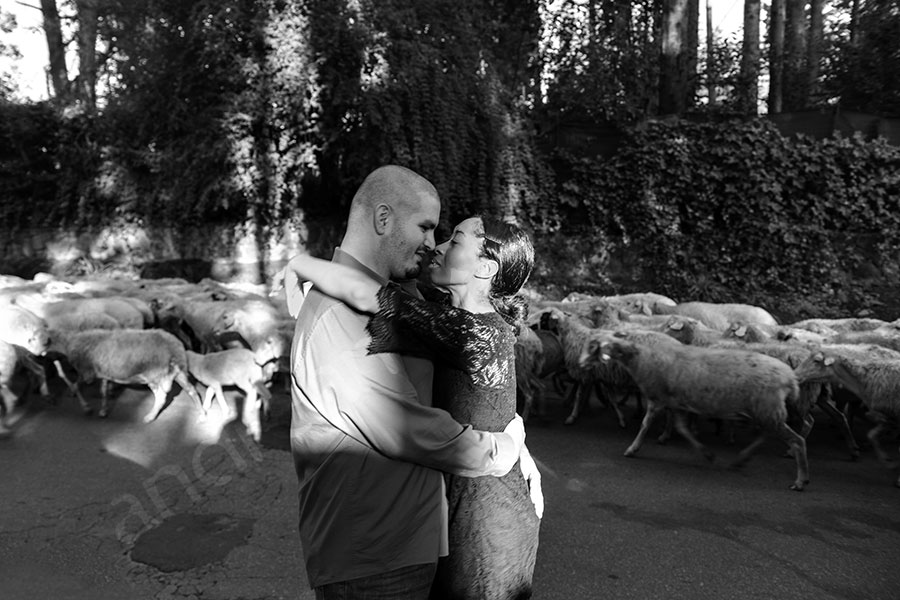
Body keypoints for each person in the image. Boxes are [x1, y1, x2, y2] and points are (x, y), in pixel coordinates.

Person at [289, 165, 533, 600]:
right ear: (383, 219)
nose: (432, 245)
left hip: (442, 538)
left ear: (487, 268)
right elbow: (407, 428)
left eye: (445, 235)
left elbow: (479, 393)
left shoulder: (419, 303)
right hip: (376, 556)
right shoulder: (340, 315)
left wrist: (515, 444)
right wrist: (506, 450)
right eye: (426, 228)